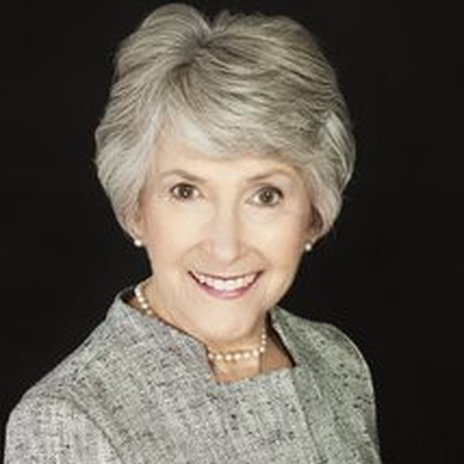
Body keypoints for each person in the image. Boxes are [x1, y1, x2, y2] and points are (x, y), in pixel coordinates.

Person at [4, 3, 381, 463]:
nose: (225, 247)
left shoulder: (336, 360)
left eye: (265, 195)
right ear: (135, 209)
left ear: (313, 214)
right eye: (186, 191)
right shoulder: (69, 420)